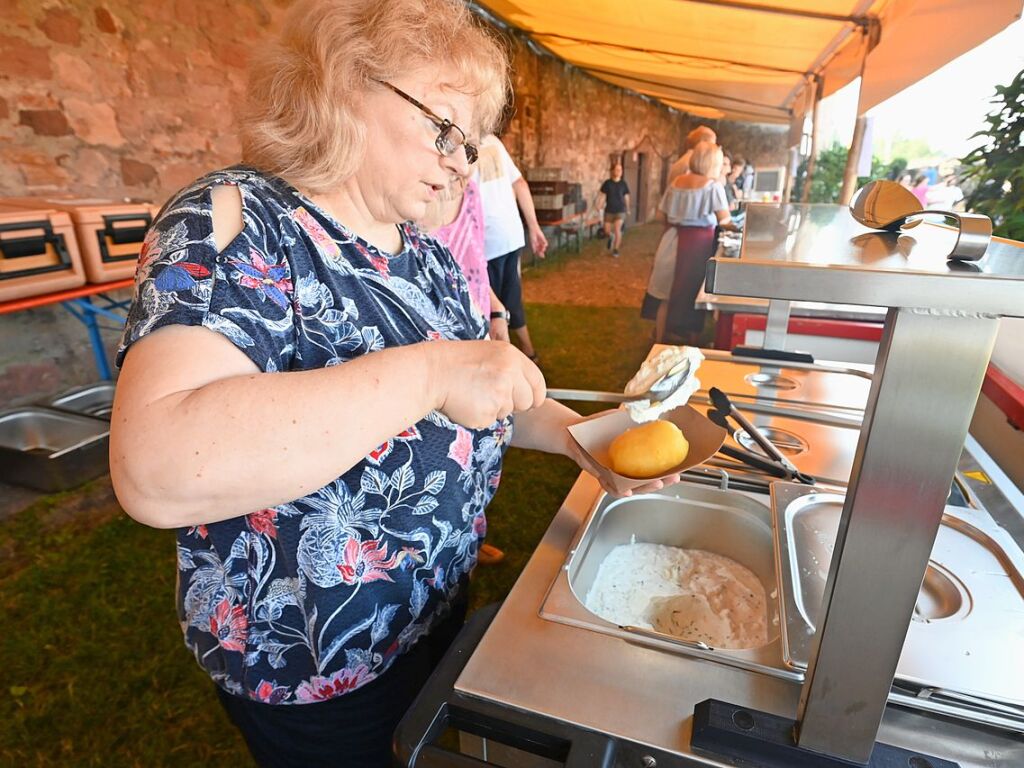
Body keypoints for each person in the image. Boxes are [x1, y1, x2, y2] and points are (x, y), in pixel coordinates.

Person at [109, 2, 677, 766]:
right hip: (315, 661)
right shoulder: (236, 220)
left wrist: (587, 439)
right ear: (340, 87)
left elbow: (485, 396)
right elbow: (158, 467)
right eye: (445, 128)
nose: (461, 162)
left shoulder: (429, 256)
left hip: (433, 611)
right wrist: (435, 369)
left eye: (471, 144)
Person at [417, 173, 507, 566]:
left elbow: (475, 260)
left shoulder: (468, 191)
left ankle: (468, 534)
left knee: (477, 440)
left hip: (469, 320)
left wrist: (496, 311)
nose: (458, 162)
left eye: (468, 147)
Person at [652, 141, 734, 345]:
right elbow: (725, 221)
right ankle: (692, 340)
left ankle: (660, 338)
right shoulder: (713, 187)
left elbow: (660, 216)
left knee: (667, 292)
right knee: (695, 292)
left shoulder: (677, 182)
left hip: (673, 240)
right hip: (699, 245)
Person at [476, 134, 548, 363]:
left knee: (490, 309)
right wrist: (534, 228)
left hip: (486, 241)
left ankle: (502, 364)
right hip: (511, 235)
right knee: (510, 297)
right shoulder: (493, 141)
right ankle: (528, 353)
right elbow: (519, 183)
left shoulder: (459, 143)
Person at [598, 161, 630, 257]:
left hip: (620, 210)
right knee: (607, 230)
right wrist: (599, 205)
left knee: (617, 229)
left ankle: (616, 250)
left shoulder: (623, 184)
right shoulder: (607, 183)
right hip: (609, 210)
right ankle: (611, 237)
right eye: (617, 170)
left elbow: (626, 197)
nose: (619, 171)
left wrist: (628, 208)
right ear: (613, 171)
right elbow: (603, 196)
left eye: (620, 170)